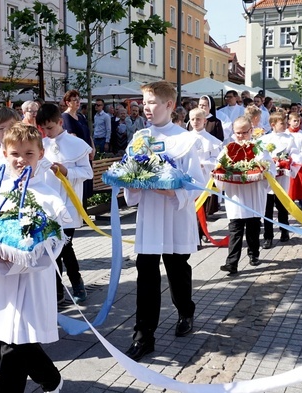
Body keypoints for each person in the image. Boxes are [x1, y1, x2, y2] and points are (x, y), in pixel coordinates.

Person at [0, 124, 69, 392]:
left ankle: (49, 379)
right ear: (3, 153)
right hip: (1, 279)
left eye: (29, 153)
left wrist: (19, 257)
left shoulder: (49, 196)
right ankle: (51, 379)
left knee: (17, 343)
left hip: (32, 279)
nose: (21, 160)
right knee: (15, 340)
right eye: (15, 153)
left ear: (40, 154)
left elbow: (53, 246)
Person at [123, 81, 205, 361]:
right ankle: (143, 334)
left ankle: (186, 310)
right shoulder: (139, 138)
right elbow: (128, 176)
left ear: (169, 105)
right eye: (143, 102)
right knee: (146, 272)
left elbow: (197, 182)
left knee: (177, 269)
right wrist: (132, 182)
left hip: (174, 215)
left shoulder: (185, 139)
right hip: (149, 216)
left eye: (152, 102)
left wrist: (174, 191)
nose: (146, 107)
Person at [36, 104, 93, 304]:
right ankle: (56, 290)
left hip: (67, 203)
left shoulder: (75, 144)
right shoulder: (40, 144)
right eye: (43, 129)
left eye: (50, 128)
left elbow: (88, 173)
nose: (47, 132)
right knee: (51, 249)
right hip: (47, 206)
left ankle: (76, 282)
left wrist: (66, 171)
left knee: (65, 247)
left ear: (60, 122)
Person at [217, 116, 273, 274]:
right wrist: (219, 175)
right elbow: (219, 167)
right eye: (237, 133)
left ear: (251, 130)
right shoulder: (228, 148)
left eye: (244, 132)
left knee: (253, 229)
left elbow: (269, 169)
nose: (240, 136)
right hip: (235, 196)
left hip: (254, 194)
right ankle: (232, 263)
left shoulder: (260, 148)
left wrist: (262, 172)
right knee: (235, 230)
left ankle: (254, 254)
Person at [261, 111, 299, 249]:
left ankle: (284, 230)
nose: (285, 125)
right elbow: (260, 155)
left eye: (285, 122)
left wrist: (289, 163)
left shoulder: (289, 139)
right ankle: (268, 236)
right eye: (282, 123)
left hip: (282, 178)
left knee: (282, 206)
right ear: (273, 125)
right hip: (268, 180)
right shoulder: (264, 139)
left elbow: (295, 154)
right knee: (267, 209)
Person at [188, 108, 222, 245]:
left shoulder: (211, 140)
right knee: (191, 208)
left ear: (205, 121)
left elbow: (217, 160)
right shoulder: (185, 137)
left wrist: (204, 164)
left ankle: (201, 232)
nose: (195, 122)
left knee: (202, 207)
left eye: (198, 119)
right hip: (189, 179)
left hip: (204, 178)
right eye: (192, 119)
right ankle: (194, 234)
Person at [286, 112, 302, 209]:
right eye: (294, 121)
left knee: (299, 182)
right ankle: (290, 199)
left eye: (298, 121)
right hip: (288, 162)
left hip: (298, 162)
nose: (296, 123)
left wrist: (300, 160)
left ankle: (301, 199)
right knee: (289, 182)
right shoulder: (286, 133)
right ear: (289, 121)